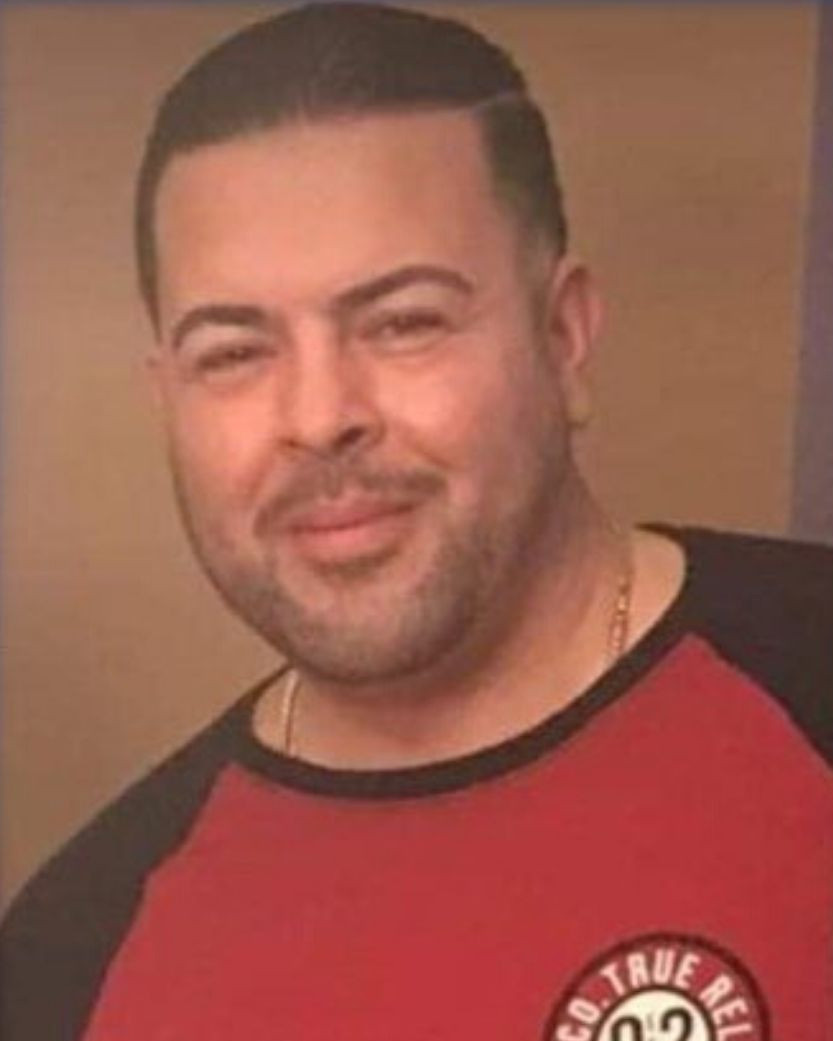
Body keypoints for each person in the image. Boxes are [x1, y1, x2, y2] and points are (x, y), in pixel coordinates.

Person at [1, 4, 831, 1039]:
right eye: (234, 352)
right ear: (166, 399)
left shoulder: (803, 685)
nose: (318, 418)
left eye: (402, 322)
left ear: (563, 336)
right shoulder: (70, 954)